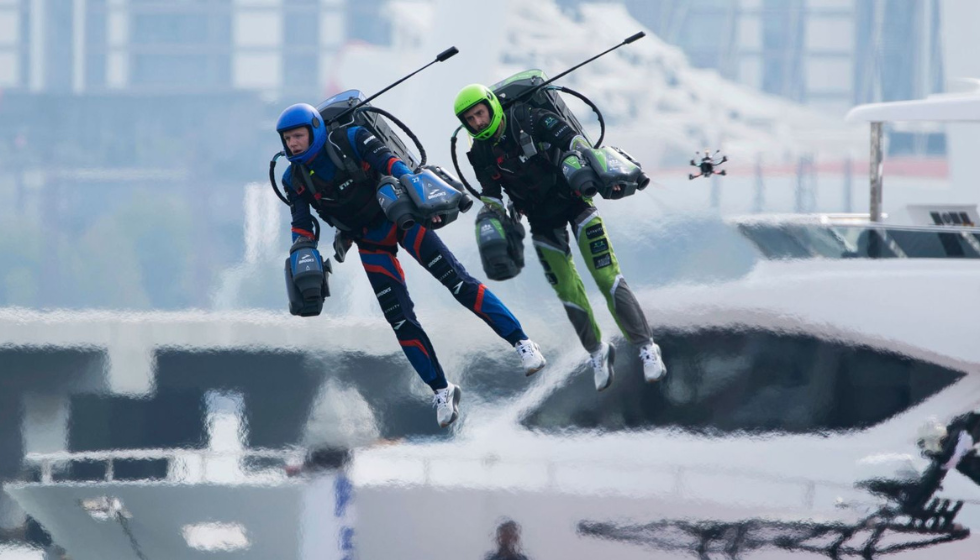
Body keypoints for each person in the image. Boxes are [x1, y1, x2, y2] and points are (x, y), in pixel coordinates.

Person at [276, 102, 546, 427]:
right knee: (400, 321)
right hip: (368, 240)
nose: (292, 144)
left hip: (401, 216)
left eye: (298, 136)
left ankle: (523, 343)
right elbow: (301, 222)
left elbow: (390, 162)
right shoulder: (294, 179)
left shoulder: (352, 138)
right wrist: (300, 249)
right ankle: (442, 391)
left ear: (314, 131)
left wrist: (420, 187)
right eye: (288, 139)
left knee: (458, 283)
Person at [453, 84, 666, 391]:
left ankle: (646, 348)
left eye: (480, 113)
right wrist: (495, 217)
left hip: (576, 201)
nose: (477, 123)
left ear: (491, 106)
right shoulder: (479, 153)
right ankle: (597, 351)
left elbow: (573, 140)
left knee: (607, 277)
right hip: (541, 220)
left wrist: (598, 167)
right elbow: (490, 193)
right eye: (470, 119)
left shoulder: (528, 118)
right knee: (567, 290)